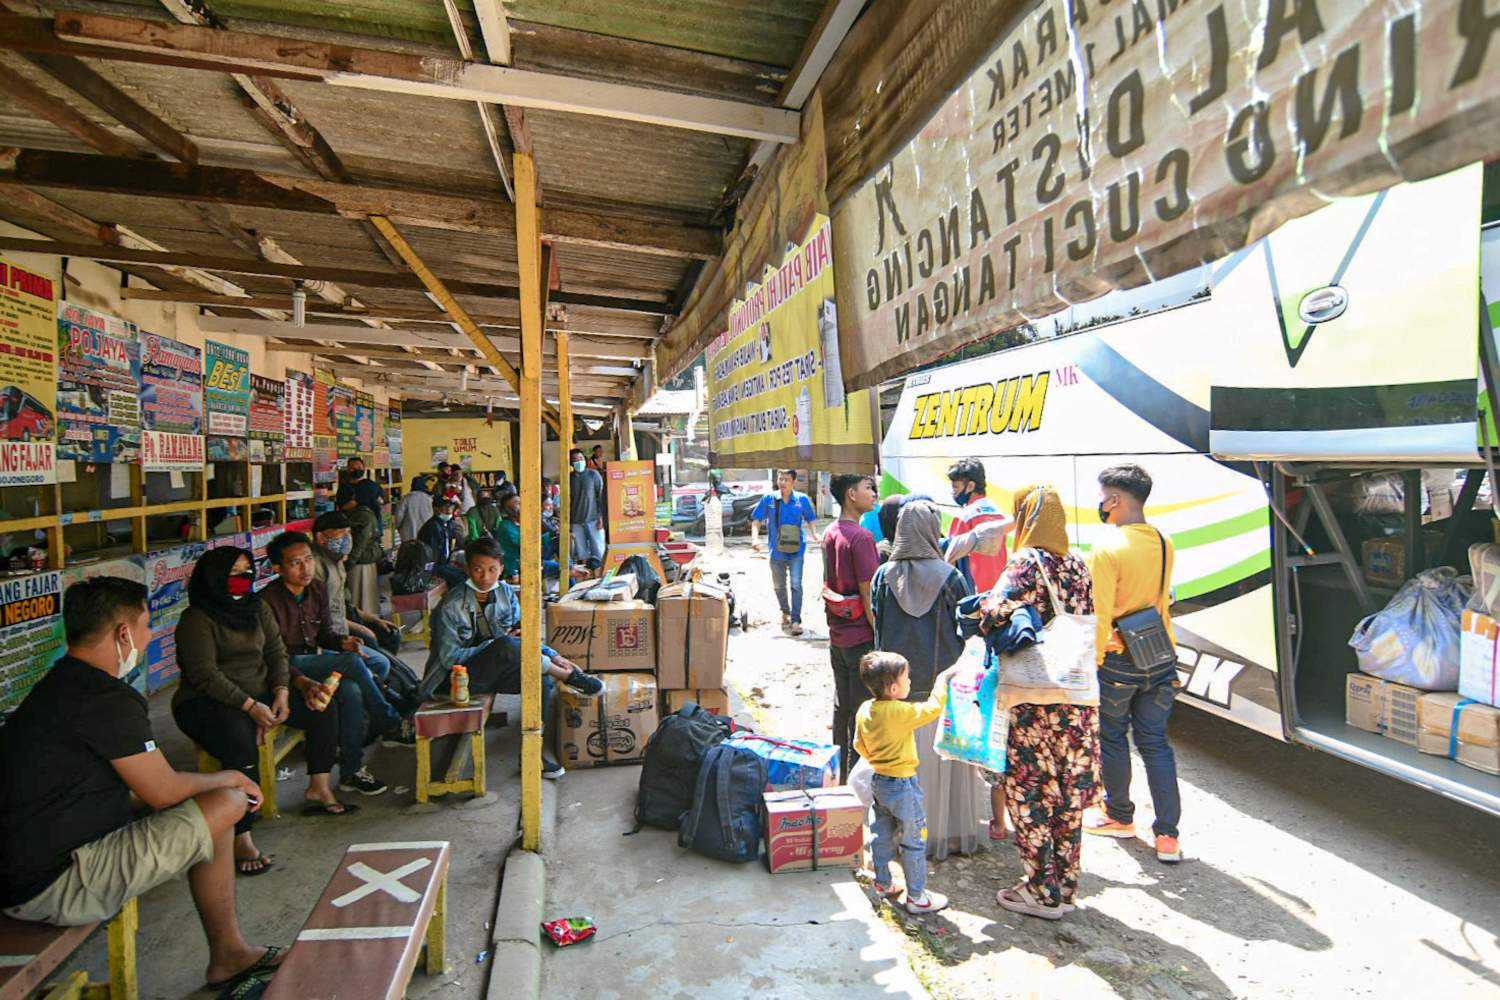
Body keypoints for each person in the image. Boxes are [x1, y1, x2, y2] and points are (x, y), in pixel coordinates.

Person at [0, 578, 283, 993]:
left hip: (23, 869)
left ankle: (229, 952)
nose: (150, 636)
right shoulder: (107, 699)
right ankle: (227, 952)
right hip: (54, 885)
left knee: (210, 805)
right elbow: (162, 791)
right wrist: (232, 775)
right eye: (147, 625)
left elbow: (127, 788)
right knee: (228, 800)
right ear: (122, 634)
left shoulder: (61, 683)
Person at [172, 547, 352, 877]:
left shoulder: (256, 609)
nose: (243, 580)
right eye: (234, 574)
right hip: (207, 701)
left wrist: (283, 691)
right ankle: (242, 833)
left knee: (321, 705)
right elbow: (204, 674)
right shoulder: (197, 619)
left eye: (246, 572)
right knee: (240, 743)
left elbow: (276, 653)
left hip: (261, 692)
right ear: (214, 579)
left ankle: (319, 786)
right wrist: (251, 707)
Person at [973, 485, 1100, 917]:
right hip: (1078, 699)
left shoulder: (1026, 562)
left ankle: (1039, 890)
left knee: (1031, 791)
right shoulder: (1079, 563)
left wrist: (982, 608)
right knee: (1067, 794)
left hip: (1035, 701)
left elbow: (994, 610)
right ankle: (1064, 885)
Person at [420, 538, 604, 779]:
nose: (485, 576)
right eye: (477, 569)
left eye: (492, 569)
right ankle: (569, 677)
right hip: (456, 681)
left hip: (495, 670)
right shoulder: (452, 605)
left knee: (542, 680)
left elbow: (524, 636)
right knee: (505, 645)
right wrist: (495, 644)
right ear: (466, 569)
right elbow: (448, 658)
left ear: (501, 568)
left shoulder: (506, 593)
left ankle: (531, 755)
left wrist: (554, 655)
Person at [871, 498, 984, 859]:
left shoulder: (882, 576)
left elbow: (878, 631)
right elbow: (969, 628)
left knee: (905, 765)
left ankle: (906, 832)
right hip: (942, 685)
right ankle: (951, 833)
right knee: (944, 762)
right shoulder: (951, 576)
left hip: (895, 688)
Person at [1084, 464, 1182, 863]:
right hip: (1158, 656)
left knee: (1112, 738)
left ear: (1116, 500)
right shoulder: (1163, 540)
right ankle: (1168, 837)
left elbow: (1100, 613)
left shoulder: (1107, 547)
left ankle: (1119, 816)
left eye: (1104, 496)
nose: (1102, 504)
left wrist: (1092, 663)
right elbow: (1162, 603)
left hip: (1119, 659)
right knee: (1156, 744)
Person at [262, 531, 398, 795]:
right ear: (278, 568)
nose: (306, 568)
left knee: (352, 689)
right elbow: (270, 656)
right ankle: (387, 717)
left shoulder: (316, 589)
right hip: (286, 668)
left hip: (313, 660)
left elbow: (324, 635)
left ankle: (351, 770)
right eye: (295, 563)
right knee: (352, 664)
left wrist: (343, 641)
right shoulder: (267, 602)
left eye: (309, 559)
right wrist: (302, 679)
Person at [854, 650, 959, 915]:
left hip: (879, 781)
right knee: (914, 838)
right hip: (903, 785)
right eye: (907, 678)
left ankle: (882, 882)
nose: (910, 682)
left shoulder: (866, 709)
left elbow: (858, 744)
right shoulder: (899, 711)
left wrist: (879, 760)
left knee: (881, 833)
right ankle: (917, 896)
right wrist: (942, 682)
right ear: (893, 688)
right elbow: (932, 709)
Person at [823, 472, 880, 780]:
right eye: (868, 488)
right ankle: (856, 783)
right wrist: (878, 636)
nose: (874, 493)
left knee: (842, 708)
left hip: (837, 636)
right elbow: (868, 592)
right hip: (860, 638)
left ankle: (838, 775)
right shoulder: (861, 537)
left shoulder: (831, 532)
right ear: (851, 495)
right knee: (861, 715)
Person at [751, 469, 820, 635]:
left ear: (793, 482)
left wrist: (815, 534)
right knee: (779, 585)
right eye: (780, 479)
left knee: (796, 584)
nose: (782, 482)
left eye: (786, 479)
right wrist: (755, 539)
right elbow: (756, 520)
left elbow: (810, 519)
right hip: (776, 551)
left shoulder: (802, 499)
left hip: (797, 550)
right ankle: (785, 612)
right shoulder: (769, 499)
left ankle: (796, 620)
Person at [947, 458, 1013, 594]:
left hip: (974, 593)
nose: (953, 492)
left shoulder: (964, 516)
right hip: (999, 589)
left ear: (970, 486)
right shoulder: (998, 512)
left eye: (955, 487)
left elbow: (950, 556)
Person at [496, 487, 560, 581]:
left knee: (561, 545)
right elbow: (527, 544)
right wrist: (549, 535)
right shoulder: (506, 526)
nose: (523, 506)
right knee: (565, 569)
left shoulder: (521, 523)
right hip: (517, 566)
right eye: (518, 504)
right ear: (508, 510)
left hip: (530, 560)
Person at [344, 493, 383, 614]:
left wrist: (349, 563)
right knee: (366, 599)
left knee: (360, 598)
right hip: (367, 558)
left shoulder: (361, 515)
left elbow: (359, 544)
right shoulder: (367, 513)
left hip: (361, 561)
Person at [568, 447, 606, 570]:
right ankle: (586, 578)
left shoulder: (593, 474)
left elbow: (601, 496)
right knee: (581, 553)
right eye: (575, 459)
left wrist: (601, 517)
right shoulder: (568, 478)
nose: (578, 461)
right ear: (571, 463)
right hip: (576, 521)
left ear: (585, 459)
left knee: (599, 551)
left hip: (594, 519)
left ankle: (600, 575)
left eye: (580, 458)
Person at [419, 496, 469, 588]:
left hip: (445, 564)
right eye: (445, 507)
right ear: (436, 509)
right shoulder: (431, 528)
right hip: (436, 568)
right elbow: (430, 554)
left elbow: (460, 540)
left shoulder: (447, 524)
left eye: (450, 507)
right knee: (461, 581)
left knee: (467, 575)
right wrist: (432, 574)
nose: (449, 511)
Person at [335, 456, 385, 525]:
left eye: (359, 467)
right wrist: (361, 499)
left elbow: (381, 501)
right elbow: (343, 508)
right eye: (353, 468)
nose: (356, 470)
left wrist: (358, 500)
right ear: (348, 469)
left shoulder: (371, 484)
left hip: (375, 524)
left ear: (364, 468)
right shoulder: (344, 488)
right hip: (355, 524)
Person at [395, 473, 435, 543]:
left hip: (408, 534)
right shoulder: (429, 499)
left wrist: (398, 527)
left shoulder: (405, 499)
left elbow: (399, 515)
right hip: (425, 533)